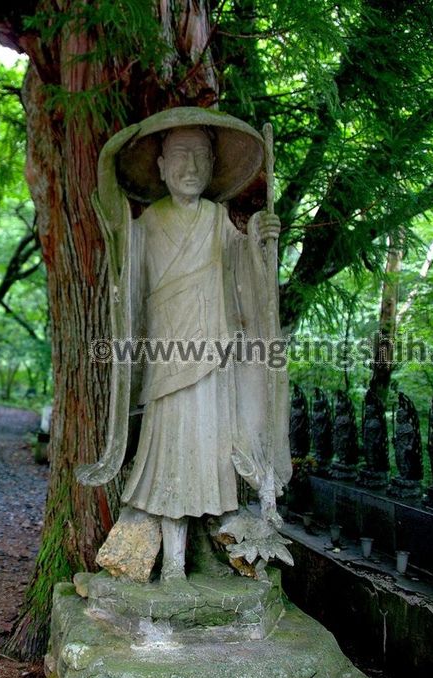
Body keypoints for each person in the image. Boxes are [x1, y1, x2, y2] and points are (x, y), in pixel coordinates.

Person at [77, 108, 291, 582]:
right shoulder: (147, 223)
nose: (190, 168)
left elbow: (245, 279)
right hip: (168, 364)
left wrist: (259, 240)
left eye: (200, 157)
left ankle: (198, 554)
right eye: (179, 156)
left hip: (213, 363)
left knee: (209, 458)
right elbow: (116, 233)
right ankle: (171, 563)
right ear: (159, 166)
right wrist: (115, 148)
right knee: (168, 460)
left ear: (213, 166)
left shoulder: (219, 221)